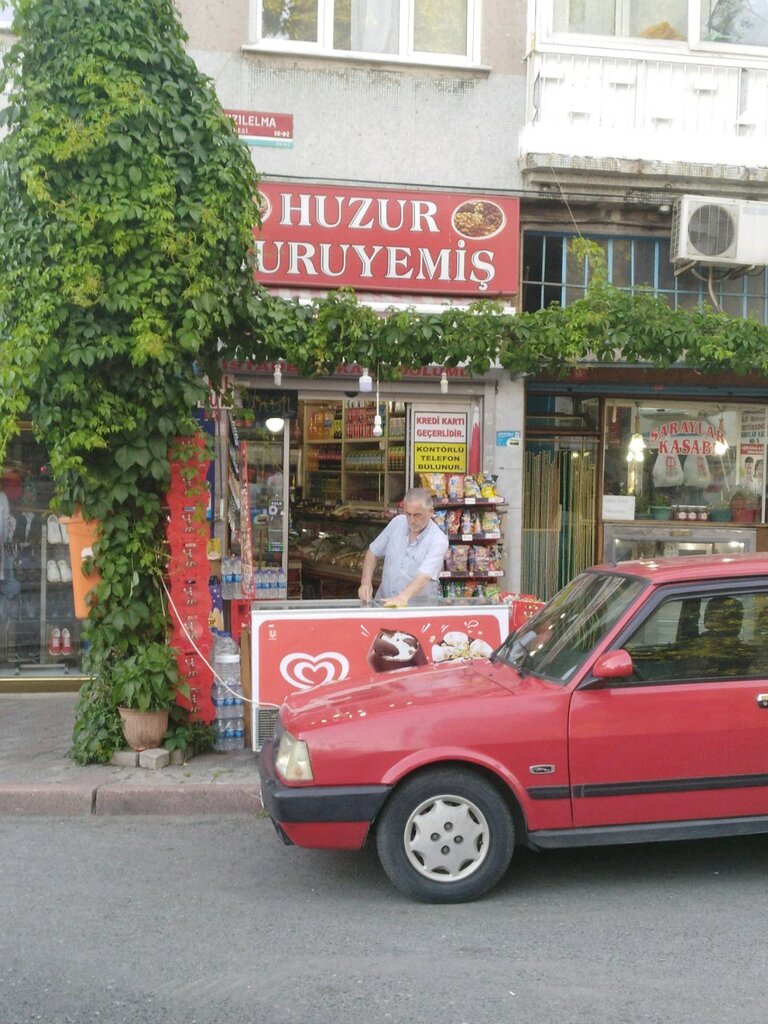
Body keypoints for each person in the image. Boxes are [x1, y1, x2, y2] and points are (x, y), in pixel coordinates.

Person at [358, 487, 449, 606]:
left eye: (417, 515)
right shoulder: (397, 522)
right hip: (384, 602)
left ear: (431, 511)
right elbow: (373, 552)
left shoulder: (438, 540)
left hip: (416, 610)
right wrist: (365, 582)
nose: (411, 520)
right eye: (408, 514)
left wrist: (402, 597)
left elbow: (424, 577)